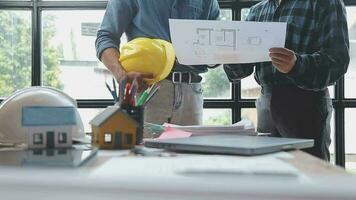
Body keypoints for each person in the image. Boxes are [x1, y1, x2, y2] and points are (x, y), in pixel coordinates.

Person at [224, 0, 349, 160]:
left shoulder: (325, 3)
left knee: (308, 173)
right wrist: (225, 54)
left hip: (307, 103)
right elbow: (241, 70)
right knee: (268, 173)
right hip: (266, 103)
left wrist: (296, 65)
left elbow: (338, 60)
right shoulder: (257, 10)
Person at [95, 0, 220, 126]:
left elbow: (217, 45)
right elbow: (105, 37)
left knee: (189, 146)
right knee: (145, 145)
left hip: (191, 93)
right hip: (148, 89)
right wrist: (121, 75)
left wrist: (225, 58)